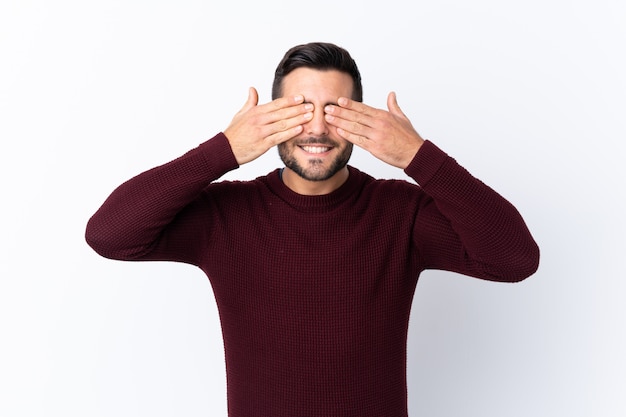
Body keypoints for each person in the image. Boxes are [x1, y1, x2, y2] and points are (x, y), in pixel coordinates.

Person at [85, 42, 539, 417]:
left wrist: (418, 157)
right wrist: (222, 150)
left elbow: (515, 258)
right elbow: (109, 235)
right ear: (270, 117)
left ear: (361, 119)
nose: (317, 129)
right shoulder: (227, 216)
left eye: (335, 111)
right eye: (300, 110)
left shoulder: (401, 213)